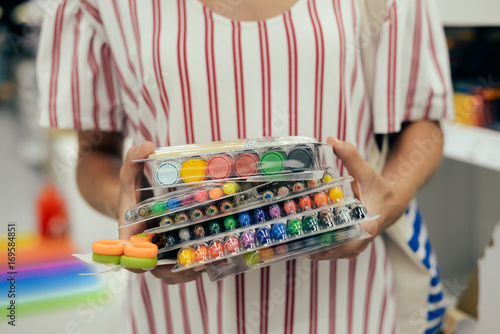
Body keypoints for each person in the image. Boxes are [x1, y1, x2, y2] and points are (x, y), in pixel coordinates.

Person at [36, 0, 453, 333]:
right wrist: (133, 210)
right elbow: (96, 152)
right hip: (179, 310)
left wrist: (387, 198)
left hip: (346, 304)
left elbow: (424, 122)